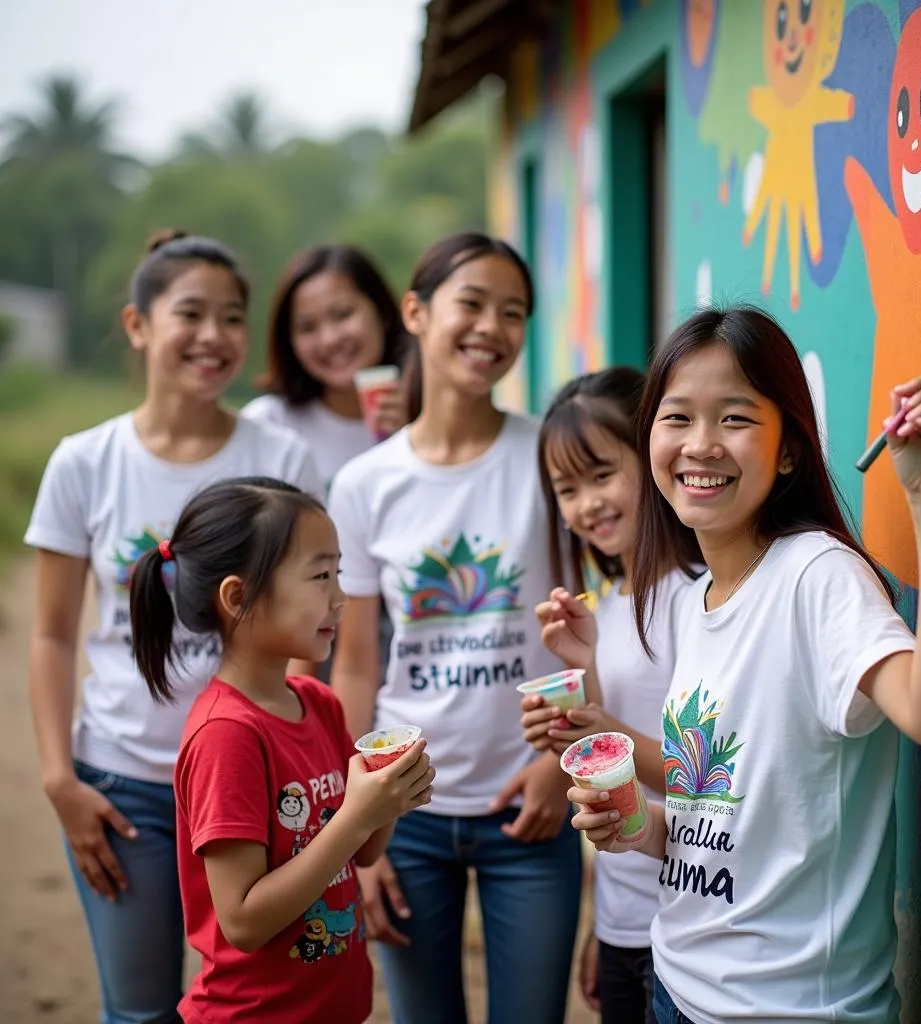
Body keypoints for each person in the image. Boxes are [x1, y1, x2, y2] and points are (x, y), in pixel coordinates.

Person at [570, 305, 921, 1024]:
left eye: (734, 419)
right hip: (677, 984)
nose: (700, 445)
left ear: (789, 450)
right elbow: (724, 818)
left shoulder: (816, 576)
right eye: (677, 418)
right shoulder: (696, 602)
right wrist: (639, 829)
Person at [24, 231, 322, 1024]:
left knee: (271, 1004)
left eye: (233, 317)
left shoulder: (281, 456)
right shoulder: (83, 463)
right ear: (137, 324)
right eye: (191, 313)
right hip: (125, 791)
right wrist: (62, 780)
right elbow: (52, 634)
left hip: (259, 787)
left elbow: (314, 622)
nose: (215, 336)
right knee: (142, 1009)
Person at [328, 233, 582, 1024]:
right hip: (406, 814)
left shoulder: (547, 453)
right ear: (415, 311)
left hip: (531, 806)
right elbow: (358, 664)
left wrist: (557, 764)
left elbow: (584, 625)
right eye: (471, 302)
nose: (492, 328)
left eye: (513, 313)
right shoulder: (365, 484)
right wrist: (356, 829)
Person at [127, 476, 434, 1022]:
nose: (340, 597)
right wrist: (356, 817)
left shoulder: (318, 702)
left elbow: (361, 852)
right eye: (320, 576)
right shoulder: (227, 735)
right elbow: (242, 921)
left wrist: (390, 799)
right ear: (238, 597)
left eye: (338, 573)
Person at [520, 367, 697, 1024]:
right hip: (625, 919)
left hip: (691, 917)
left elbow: (702, 771)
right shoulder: (611, 607)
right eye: (568, 489)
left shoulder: (701, 595)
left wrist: (600, 727)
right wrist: (602, 925)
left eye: (601, 475)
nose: (586, 504)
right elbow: (606, 788)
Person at [241, 244, 414, 493]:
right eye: (308, 327)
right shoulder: (267, 424)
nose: (329, 339)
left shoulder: (426, 417)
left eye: (342, 315)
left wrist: (414, 444)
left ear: (383, 314)